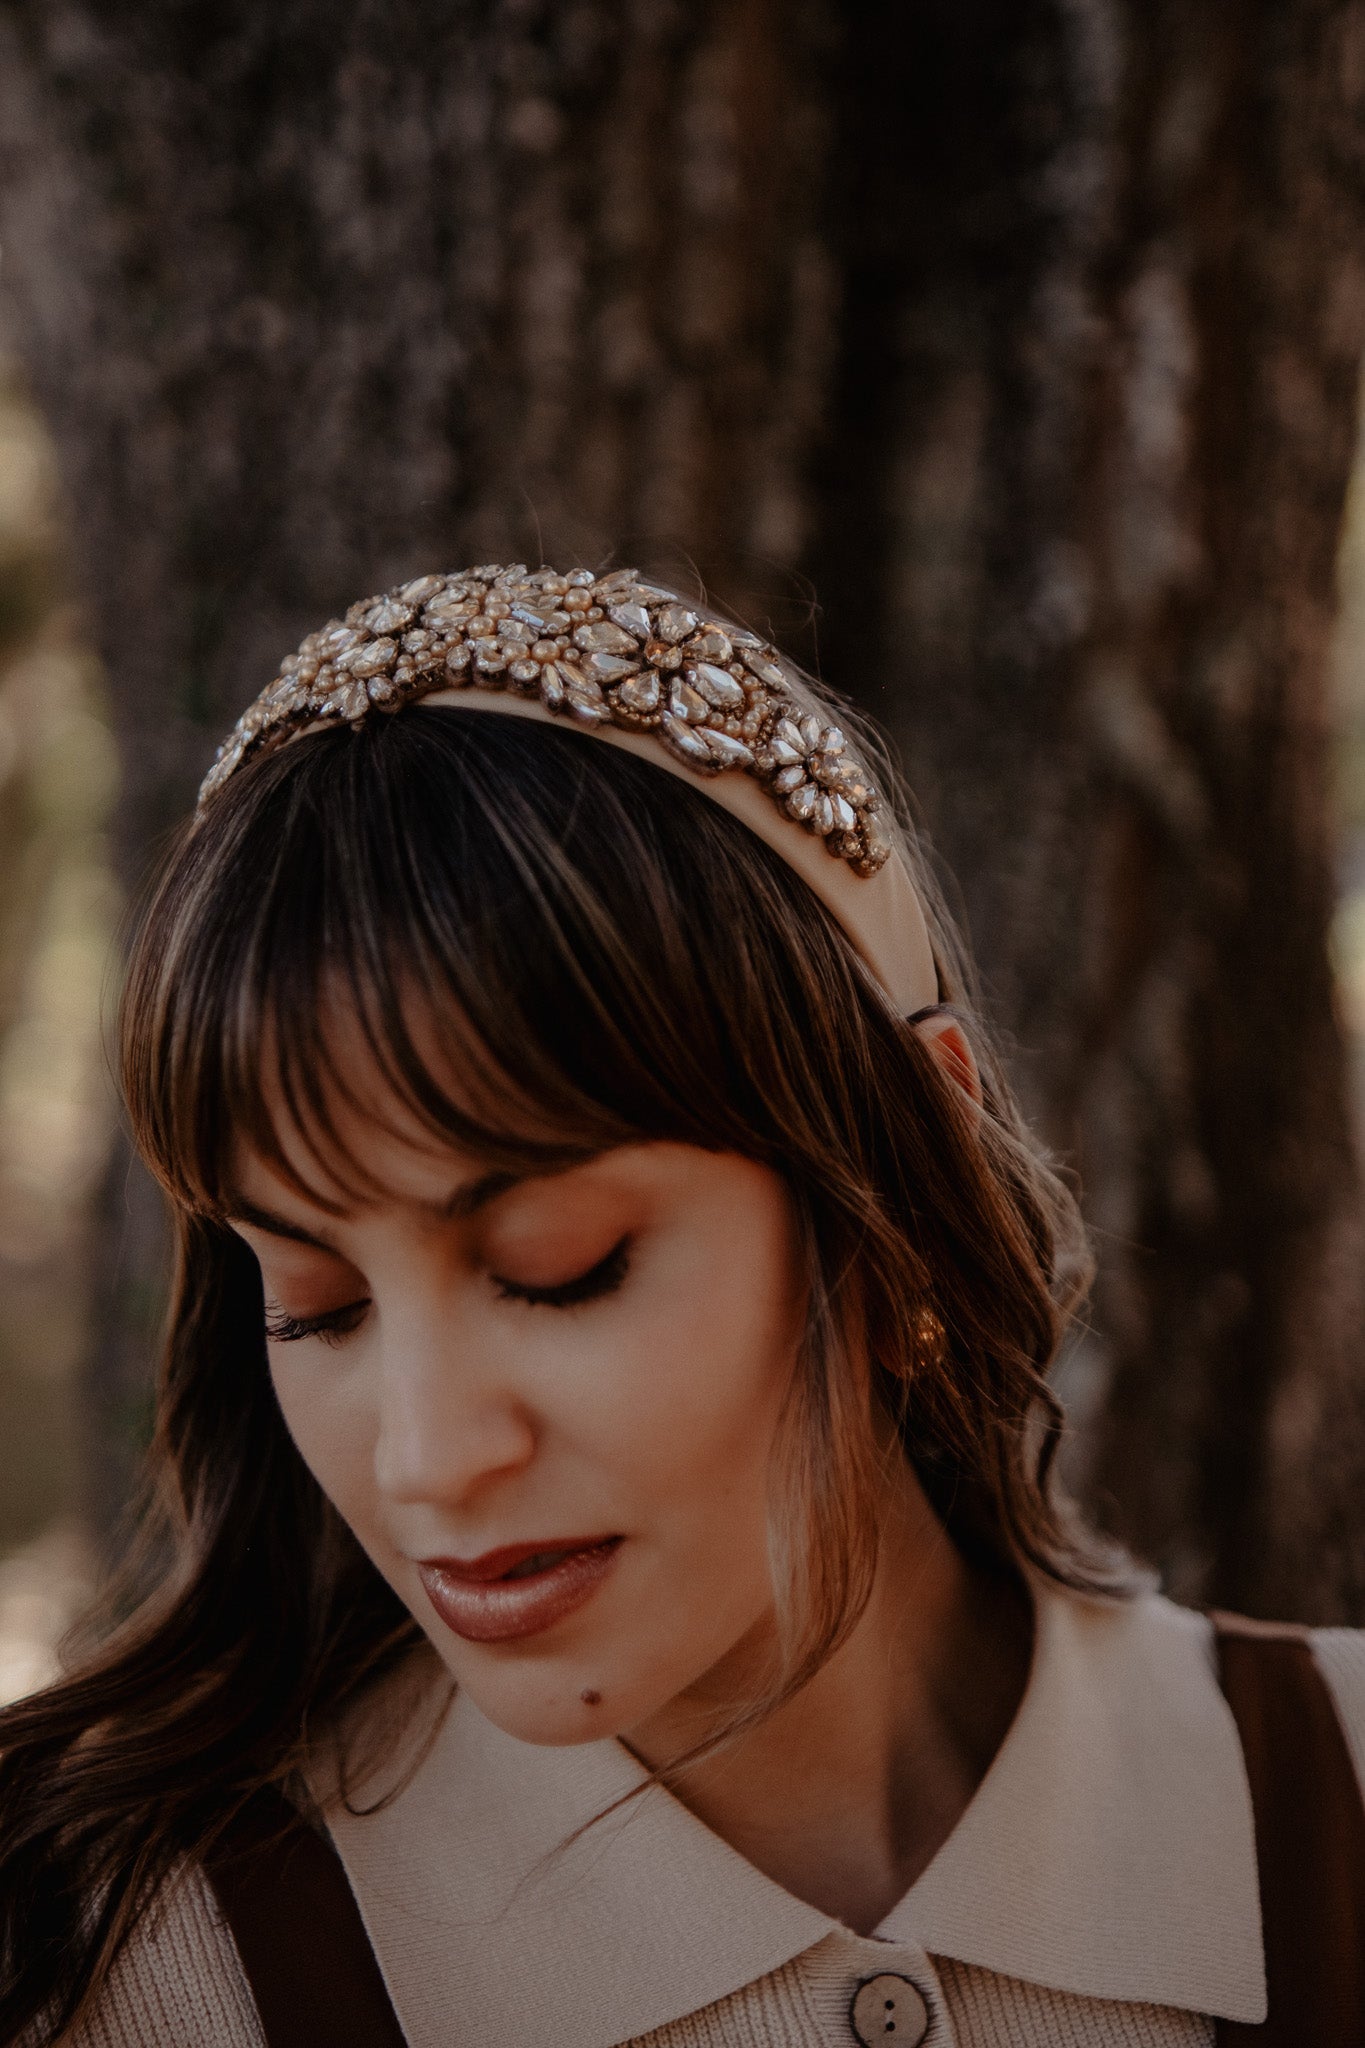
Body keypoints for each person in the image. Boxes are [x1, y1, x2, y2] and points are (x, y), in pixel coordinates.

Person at [1, 563, 1362, 2048]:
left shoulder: (1330, 1809)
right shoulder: (108, 1973)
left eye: (560, 1267)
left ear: (908, 1165)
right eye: (319, 1307)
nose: (425, 1459)